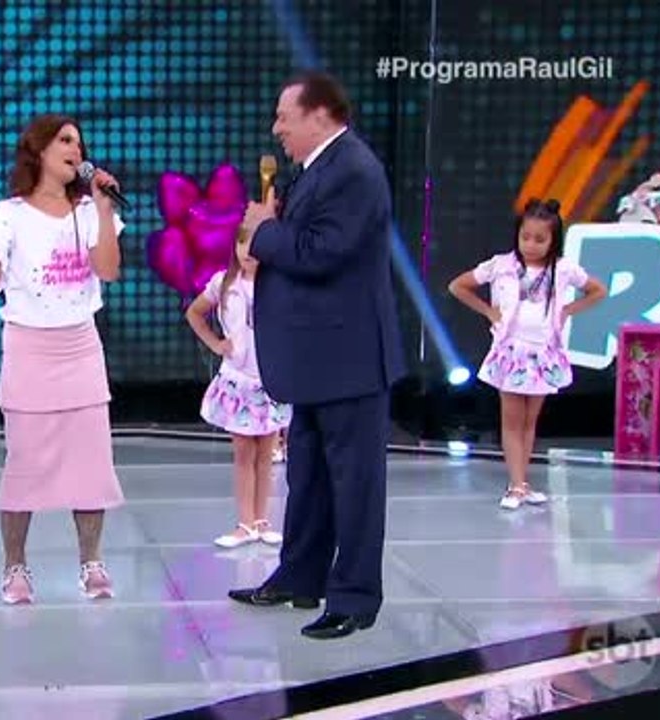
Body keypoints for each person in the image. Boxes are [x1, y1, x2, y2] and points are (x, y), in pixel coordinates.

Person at [232, 70, 407, 640]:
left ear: (320, 115)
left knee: (354, 485)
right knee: (308, 476)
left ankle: (354, 597)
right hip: (317, 360)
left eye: (285, 117)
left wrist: (262, 231)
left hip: (349, 359)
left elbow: (321, 252)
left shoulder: (353, 170)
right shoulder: (318, 169)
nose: (276, 129)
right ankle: (299, 577)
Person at [0, 114, 125, 604]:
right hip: (29, 350)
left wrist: (104, 209)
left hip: (81, 348)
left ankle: (91, 562)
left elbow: (108, 271)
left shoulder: (89, 212)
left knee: (91, 464)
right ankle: (14, 566)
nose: (76, 150)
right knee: (24, 463)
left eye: (79, 143)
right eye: (65, 141)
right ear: (40, 150)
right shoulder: (6, 216)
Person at [448, 199, 606, 508]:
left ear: (553, 240)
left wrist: (567, 311)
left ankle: (522, 483)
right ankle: (515, 486)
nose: (531, 245)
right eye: (526, 237)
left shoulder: (563, 269)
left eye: (540, 239)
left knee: (529, 422)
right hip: (511, 352)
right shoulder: (502, 265)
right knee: (512, 420)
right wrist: (488, 311)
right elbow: (458, 286)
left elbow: (598, 290)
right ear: (517, 235)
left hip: (544, 354)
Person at [185, 227, 291, 548]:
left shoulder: (280, 285)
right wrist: (216, 344)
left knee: (266, 454)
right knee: (244, 452)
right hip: (238, 380)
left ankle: (261, 521)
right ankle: (244, 523)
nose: (248, 252)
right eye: (242, 243)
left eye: (255, 245)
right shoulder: (223, 284)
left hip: (270, 381)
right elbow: (195, 313)